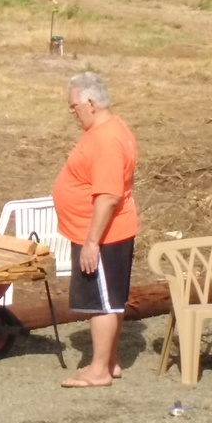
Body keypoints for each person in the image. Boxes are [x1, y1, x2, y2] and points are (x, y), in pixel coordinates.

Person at [52, 72, 139, 388]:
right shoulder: (111, 129)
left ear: (90, 102)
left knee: (100, 303)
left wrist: (91, 242)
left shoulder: (105, 139)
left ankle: (99, 369)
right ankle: (109, 362)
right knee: (110, 300)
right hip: (106, 231)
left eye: (73, 106)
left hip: (103, 234)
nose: (72, 112)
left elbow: (108, 195)